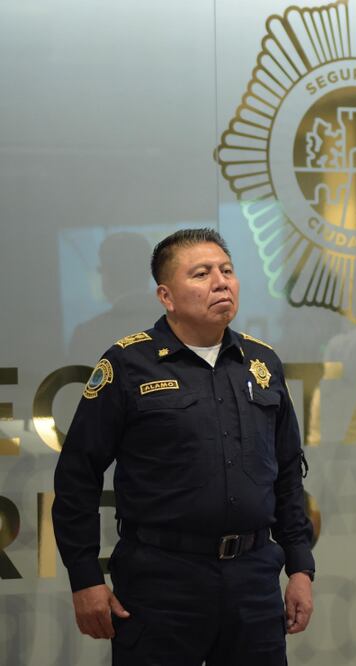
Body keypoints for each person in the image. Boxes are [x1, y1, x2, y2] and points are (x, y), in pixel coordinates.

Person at [53, 228, 315, 665]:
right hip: (161, 582)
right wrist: (85, 578)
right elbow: (77, 477)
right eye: (201, 273)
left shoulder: (262, 363)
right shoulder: (127, 365)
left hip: (253, 579)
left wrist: (301, 568)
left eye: (227, 270)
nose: (220, 281)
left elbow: (288, 473)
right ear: (166, 296)